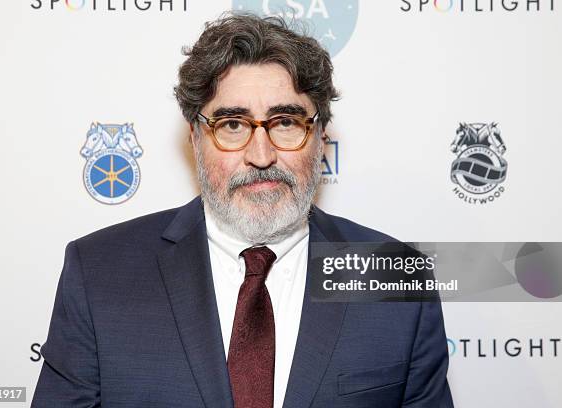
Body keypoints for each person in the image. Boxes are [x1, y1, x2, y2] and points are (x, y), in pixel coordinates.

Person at [32, 13, 454, 408]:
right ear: (196, 138)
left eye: (286, 122)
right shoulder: (99, 272)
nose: (261, 153)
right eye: (232, 124)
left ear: (320, 137)